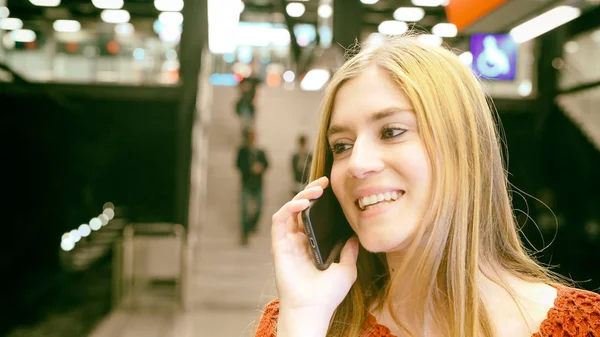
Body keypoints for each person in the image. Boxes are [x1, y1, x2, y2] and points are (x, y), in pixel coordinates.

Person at [256, 36, 600, 337]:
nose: (357, 164)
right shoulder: (298, 321)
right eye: (341, 146)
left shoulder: (586, 325)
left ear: (464, 147)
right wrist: (304, 320)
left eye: (391, 131)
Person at [236, 128, 269, 246]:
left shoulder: (260, 152)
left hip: (258, 183)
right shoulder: (243, 151)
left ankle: (252, 225)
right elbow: (238, 164)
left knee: (259, 207)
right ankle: (244, 233)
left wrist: (261, 168)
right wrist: (250, 168)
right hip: (247, 182)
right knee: (244, 210)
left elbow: (267, 163)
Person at [235, 62, 262, 132]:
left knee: (251, 124)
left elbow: (259, 91)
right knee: (245, 123)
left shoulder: (257, 80)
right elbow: (240, 88)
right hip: (245, 104)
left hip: (251, 105)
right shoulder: (245, 79)